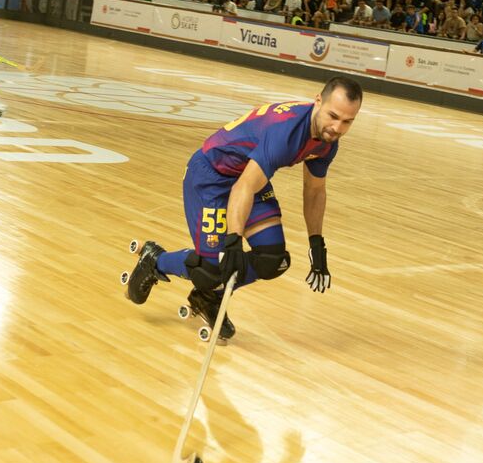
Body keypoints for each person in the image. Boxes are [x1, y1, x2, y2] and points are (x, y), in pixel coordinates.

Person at [122, 77, 363, 343]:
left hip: (249, 176)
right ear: (318, 101)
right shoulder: (286, 133)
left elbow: (314, 191)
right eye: (333, 116)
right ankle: (155, 260)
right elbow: (242, 189)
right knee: (211, 270)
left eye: (347, 121)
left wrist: (316, 243)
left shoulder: (328, 142)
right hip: (211, 177)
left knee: (274, 260)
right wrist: (233, 242)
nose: (337, 127)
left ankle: (209, 295)